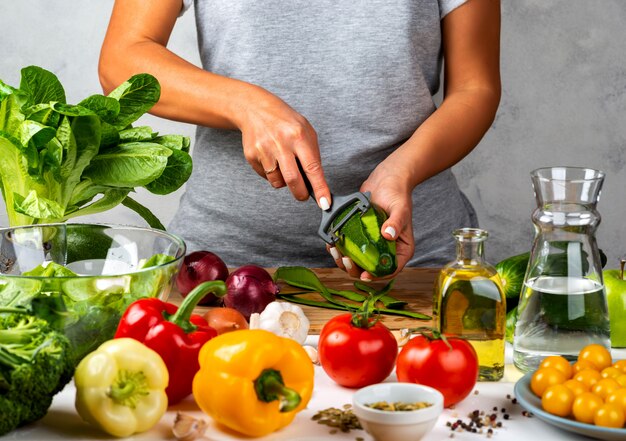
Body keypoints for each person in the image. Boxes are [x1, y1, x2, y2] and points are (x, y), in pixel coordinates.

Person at [99, 0, 501, 280]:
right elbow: (123, 59)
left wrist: (403, 169)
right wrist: (246, 106)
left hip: (415, 260)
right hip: (227, 264)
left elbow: (475, 88)